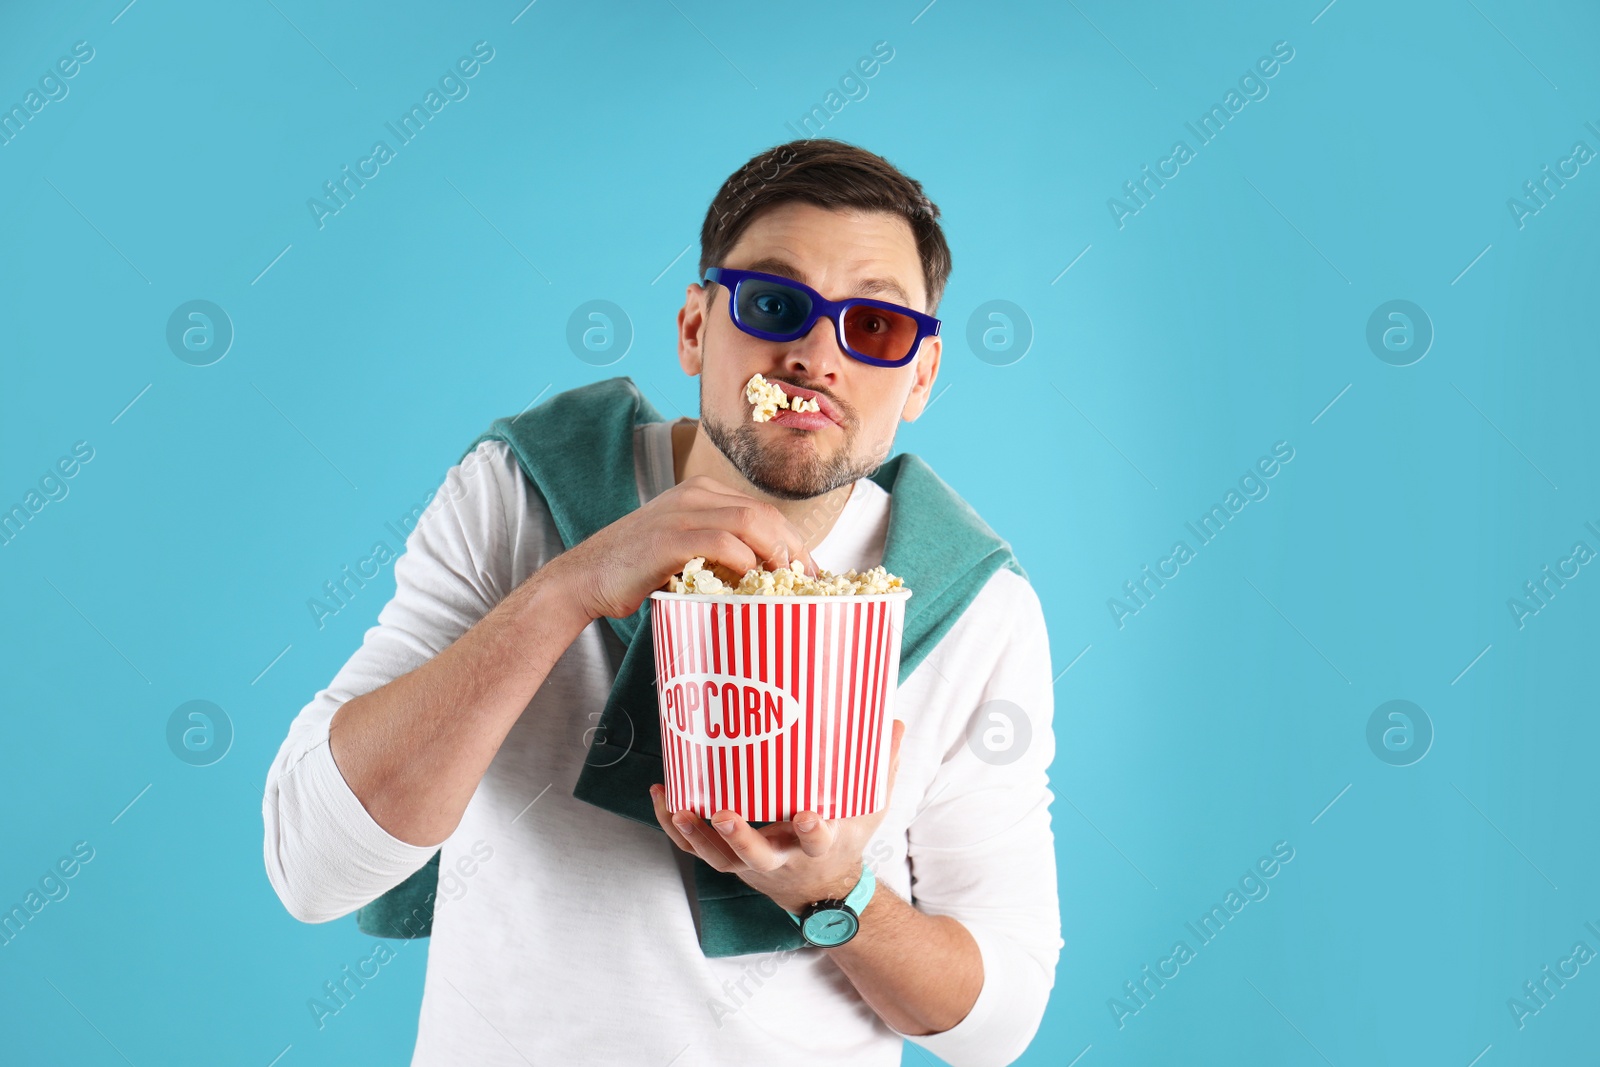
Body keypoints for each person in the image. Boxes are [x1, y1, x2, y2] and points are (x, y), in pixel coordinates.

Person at [262, 138, 1062, 1066]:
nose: (814, 355)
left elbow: (996, 1024)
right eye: (774, 304)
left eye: (874, 327)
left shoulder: (975, 606)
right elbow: (313, 867)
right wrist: (568, 589)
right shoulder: (521, 492)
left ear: (919, 377)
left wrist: (838, 893)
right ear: (694, 327)